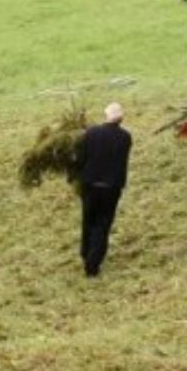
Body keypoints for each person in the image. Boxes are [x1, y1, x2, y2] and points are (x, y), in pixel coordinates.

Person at [76, 102, 133, 277]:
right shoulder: (125, 137)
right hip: (111, 187)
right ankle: (93, 264)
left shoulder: (91, 133)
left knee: (88, 220)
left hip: (90, 185)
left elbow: (81, 157)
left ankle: (86, 253)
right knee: (103, 224)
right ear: (120, 119)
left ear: (106, 115)